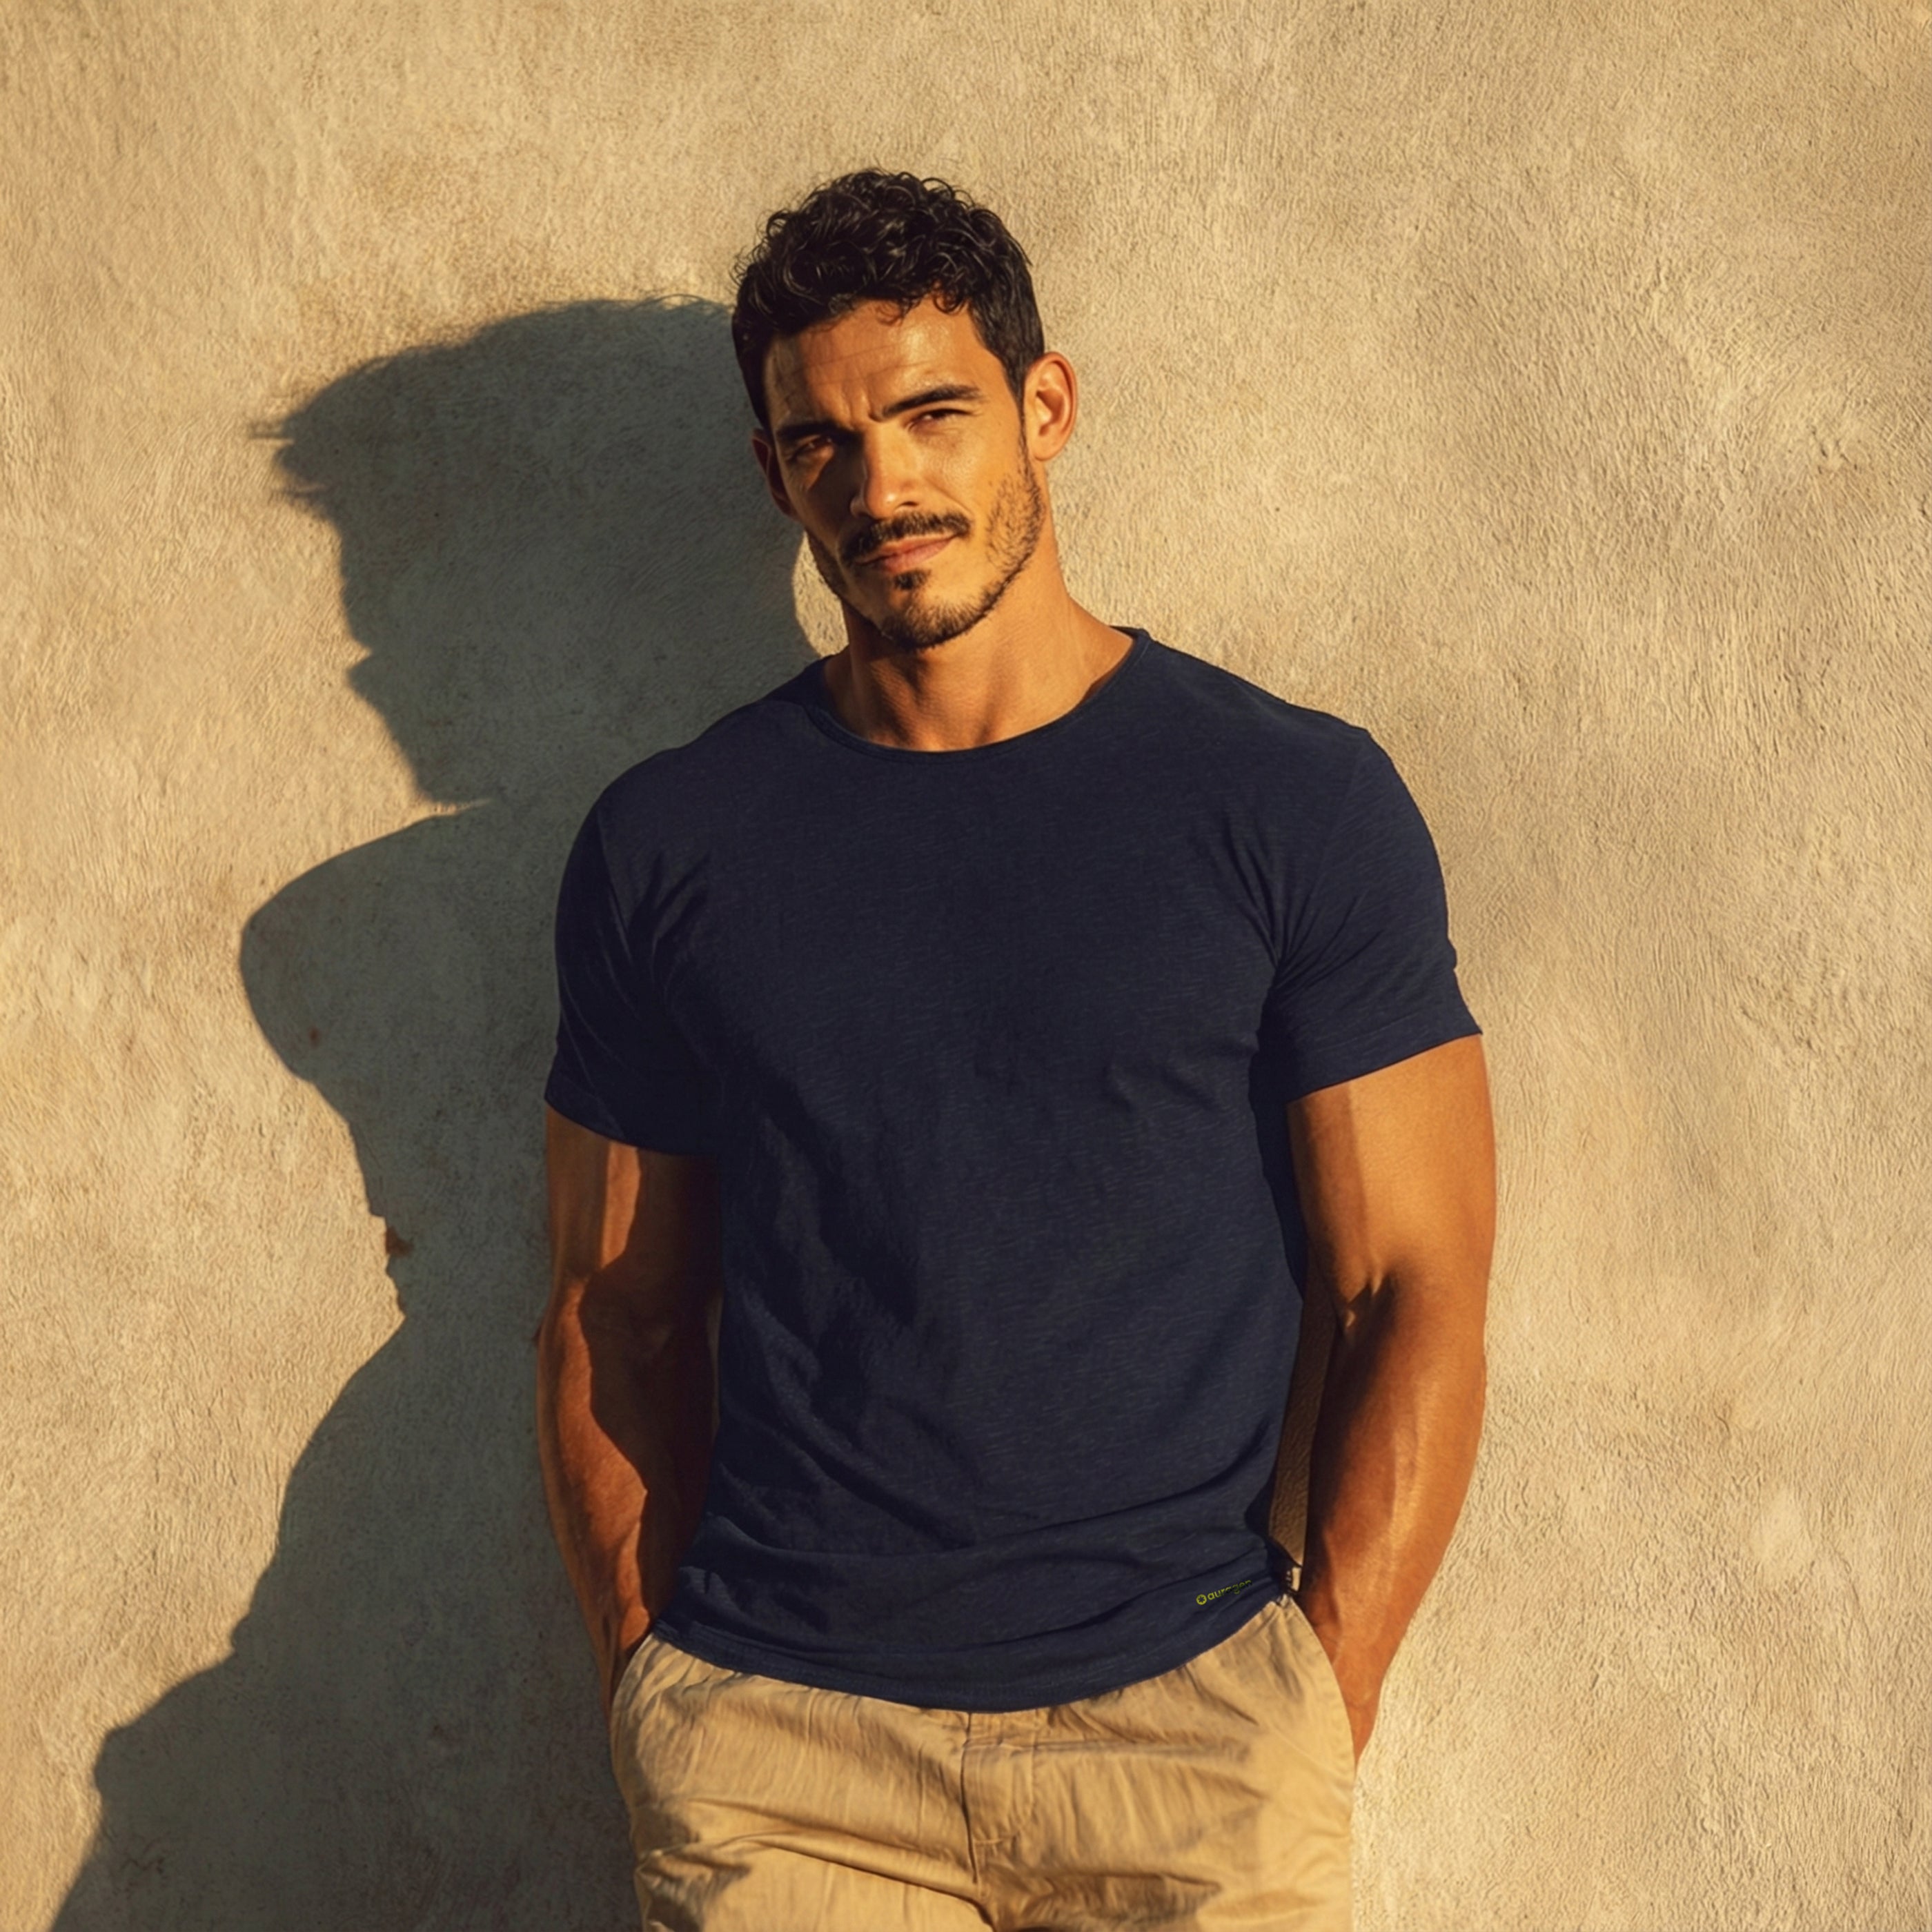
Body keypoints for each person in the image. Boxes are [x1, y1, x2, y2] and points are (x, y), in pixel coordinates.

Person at [536, 170, 1494, 1932]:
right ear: (773, 474)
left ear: (1042, 407)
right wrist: (653, 1694)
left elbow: (1406, 1288)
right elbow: (616, 1305)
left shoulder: (1285, 801)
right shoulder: (671, 842)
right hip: (781, 1760)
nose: (881, 482)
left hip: (1186, 1749)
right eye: (819, 441)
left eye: (930, 413)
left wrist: (1308, 1708)